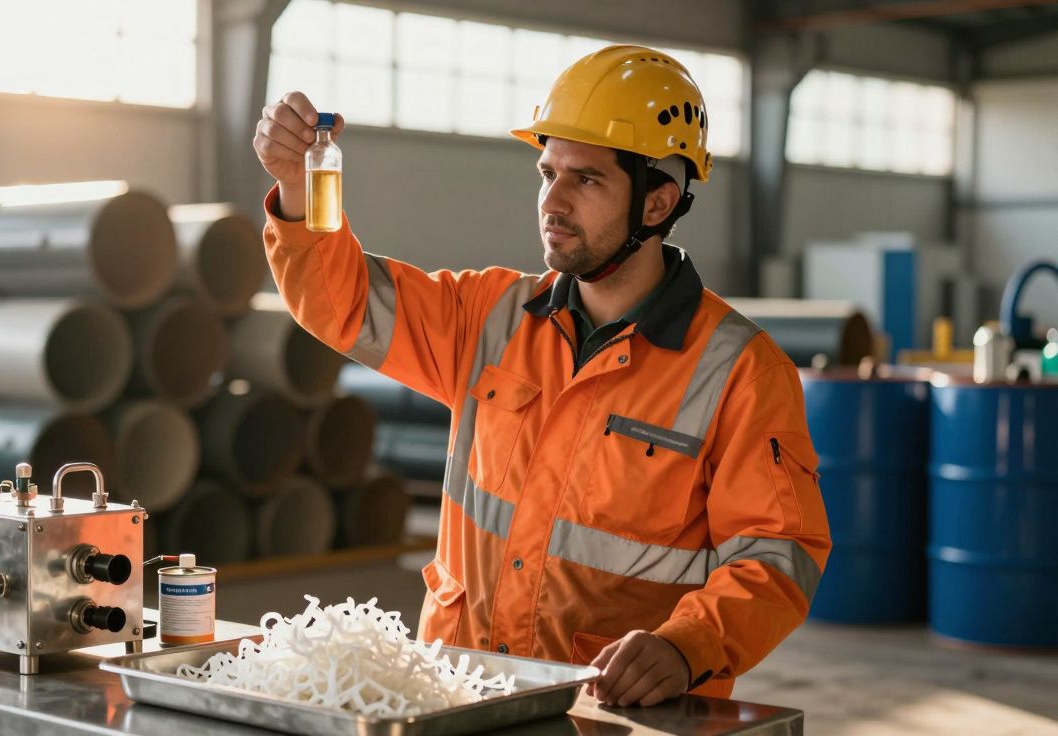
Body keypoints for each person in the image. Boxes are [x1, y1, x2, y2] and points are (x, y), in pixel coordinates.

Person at [253, 45, 830, 707]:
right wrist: (301, 191)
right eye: (547, 172)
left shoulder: (739, 373)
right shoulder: (490, 318)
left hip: (612, 712)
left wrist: (686, 645)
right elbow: (341, 300)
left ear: (656, 203)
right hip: (456, 697)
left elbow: (778, 555)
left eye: (585, 179)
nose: (552, 200)